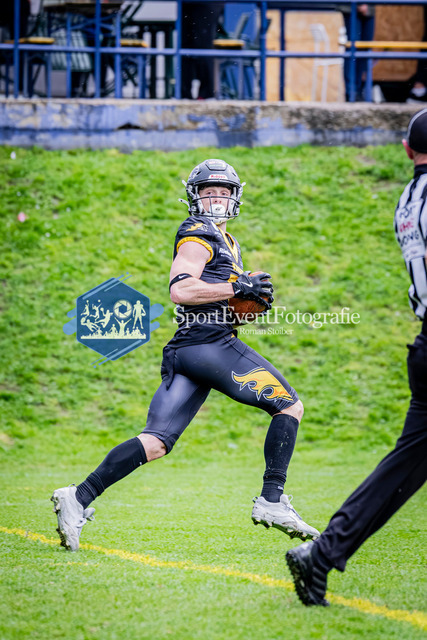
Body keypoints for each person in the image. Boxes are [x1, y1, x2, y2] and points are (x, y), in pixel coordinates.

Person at [51, 158, 320, 551]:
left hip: (188, 348)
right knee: (289, 406)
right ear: (194, 197)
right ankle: (272, 500)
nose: (217, 199)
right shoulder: (197, 234)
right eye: (209, 192)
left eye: (224, 192)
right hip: (209, 345)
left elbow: (217, 300)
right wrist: (236, 288)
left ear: (235, 198)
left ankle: (77, 497)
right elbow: (181, 289)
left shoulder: (229, 242)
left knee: (155, 442)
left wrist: (246, 304)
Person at [285, 110, 427, 606]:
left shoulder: (408, 200)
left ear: (407, 151)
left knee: (405, 467)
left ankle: (322, 554)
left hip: (426, 343)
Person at [340, 3, 375, 101]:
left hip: (370, 9)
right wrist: (360, 3)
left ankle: (359, 91)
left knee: (365, 49)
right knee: (353, 48)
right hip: (351, 7)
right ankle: (351, 92)